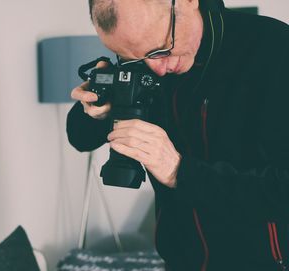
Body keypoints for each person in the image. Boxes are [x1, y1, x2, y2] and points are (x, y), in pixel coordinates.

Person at [66, 0, 289, 270]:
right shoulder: (146, 55)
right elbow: (80, 139)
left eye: (160, 50)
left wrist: (178, 171)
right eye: (133, 58)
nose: (157, 69)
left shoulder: (275, 49)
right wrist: (95, 112)